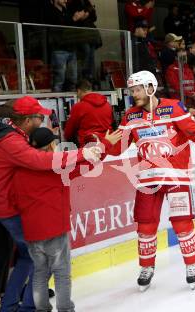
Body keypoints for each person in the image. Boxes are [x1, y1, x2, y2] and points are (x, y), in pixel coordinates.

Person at [108, 70, 195, 291]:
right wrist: (103, 144)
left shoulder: (174, 107)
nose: (134, 94)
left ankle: (192, 264)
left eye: (137, 89)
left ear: (150, 88)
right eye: (131, 91)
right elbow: (118, 146)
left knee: (182, 223)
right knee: (145, 225)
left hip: (176, 175)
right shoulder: (130, 116)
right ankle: (146, 267)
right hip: (148, 178)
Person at [0, 96, 101, 312]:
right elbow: (42, 161)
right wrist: (85, 153)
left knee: (28, 257)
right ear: (27, 120)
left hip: (12, 205)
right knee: (39, 261)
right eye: (39, 117)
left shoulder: (12, 132)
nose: (43, 120)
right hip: (10, 207)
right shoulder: (13, 141)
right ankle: (27, 306)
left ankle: (10, 305)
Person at [11, 127, 119, 312]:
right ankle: (65, 308)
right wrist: (106, 144)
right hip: (54, 228)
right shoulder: (57, 168)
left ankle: (42, 308)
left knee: (39, 272)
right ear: (52, 145)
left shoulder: (19, 171)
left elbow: (14, 199)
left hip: (31, 230)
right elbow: (87, 164)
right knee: (61, 273)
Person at [64, 79, 114, 146]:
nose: (78, 96)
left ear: (79, 91)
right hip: (108, 142)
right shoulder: (107, 104)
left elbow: (69, 132)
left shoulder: (78, 107)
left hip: (89, 146)